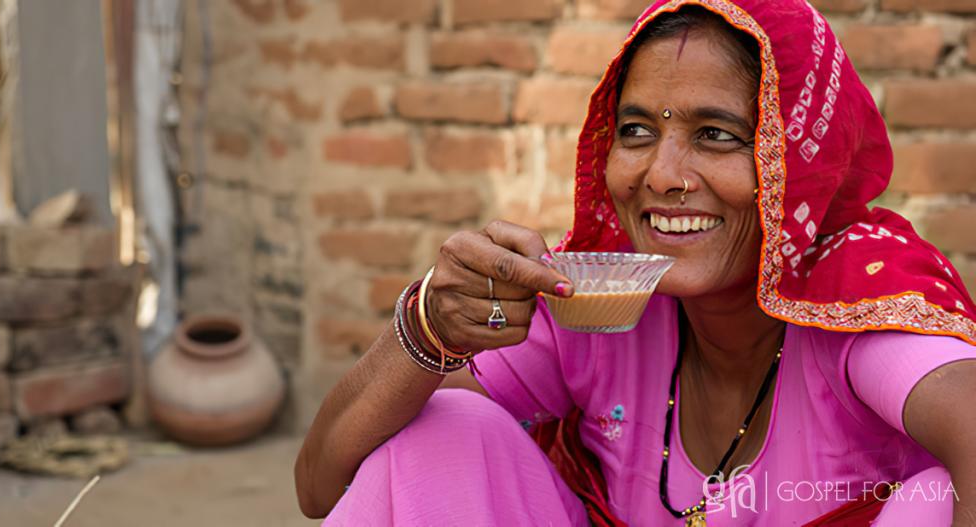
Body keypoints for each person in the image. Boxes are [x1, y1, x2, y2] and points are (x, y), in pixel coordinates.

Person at [295, 0, 976, 525]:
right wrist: (427, 331)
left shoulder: (857, 296)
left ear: (799, 160)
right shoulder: (599, 297)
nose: (662, 173)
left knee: (934, 498)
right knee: (444, 425)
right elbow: (323, 484)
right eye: (637, 131)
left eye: (717, 135)